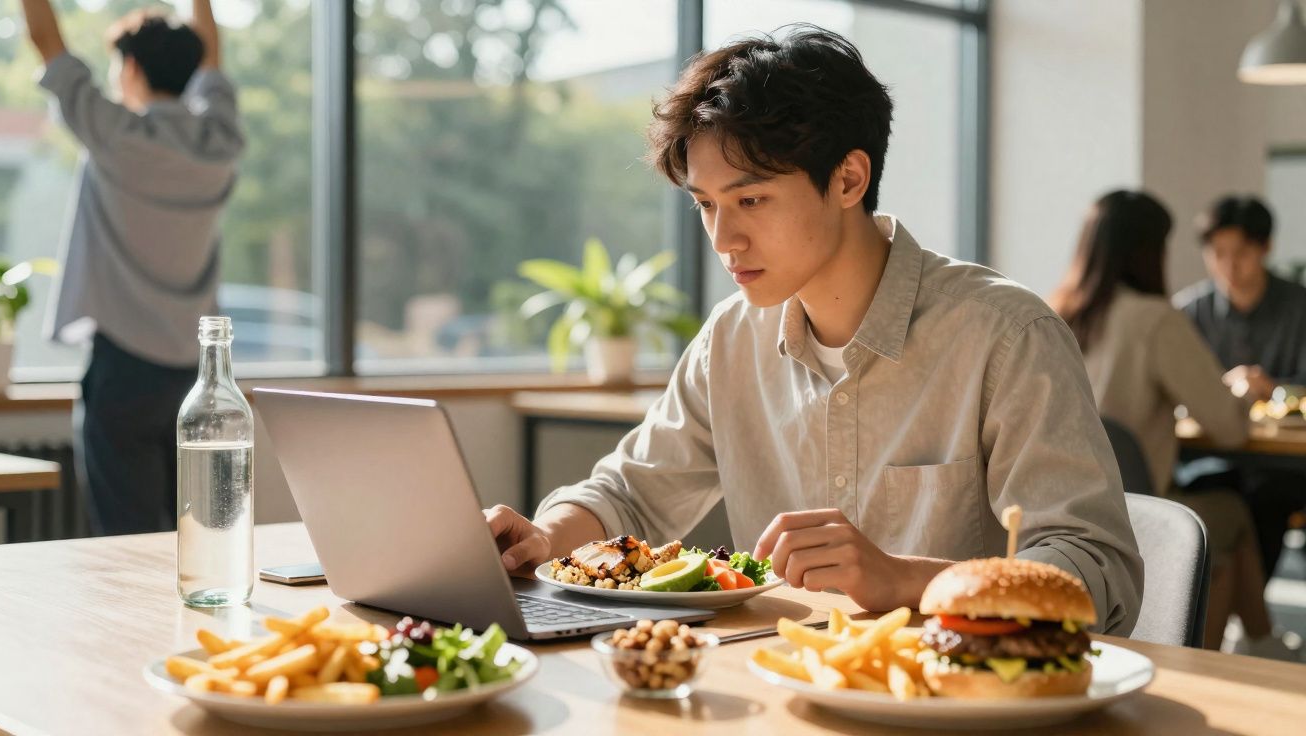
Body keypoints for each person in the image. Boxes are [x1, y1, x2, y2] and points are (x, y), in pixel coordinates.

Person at [486, 25, 1142, 632]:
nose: (723, 238)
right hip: (784, 688)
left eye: (750, 200)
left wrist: (904, 578)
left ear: (849, 178)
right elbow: (628, 494)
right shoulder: (732, 339)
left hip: (963, 698)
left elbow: (1100, 572)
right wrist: (545, 539)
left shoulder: (1006, 334)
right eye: (705, 205)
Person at [19, 0, 244, 535]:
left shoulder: (114, 133)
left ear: (134, 68)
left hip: (123, 368)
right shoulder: (220, 140)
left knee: (124, 538)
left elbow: (48, 43)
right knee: (198, 535)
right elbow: (212, 60)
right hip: (196, 372)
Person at [1050, 190, 1292, 657]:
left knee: (1220, 518)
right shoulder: (1155, 319)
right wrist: (1242, 389)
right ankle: (1209, 659)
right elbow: (1228, 428)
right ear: (1149, 249)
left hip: (1064, 511)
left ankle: (1261, 644)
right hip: (1140, 510)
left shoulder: (1055, 310)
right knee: (1228, 515)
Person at [1175, 196, 1306, 578]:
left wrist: (1271, 389)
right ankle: (1245, 627)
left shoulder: (1299, 306)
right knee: (1219, 497)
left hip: (1287, 461)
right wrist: (1226, 388)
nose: (1228, 265)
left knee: (1269, 498)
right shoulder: (1188, 312)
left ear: (1265, 247)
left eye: (1241, 252)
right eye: (1217, 253)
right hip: (1212, 453)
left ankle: (1252, 624)